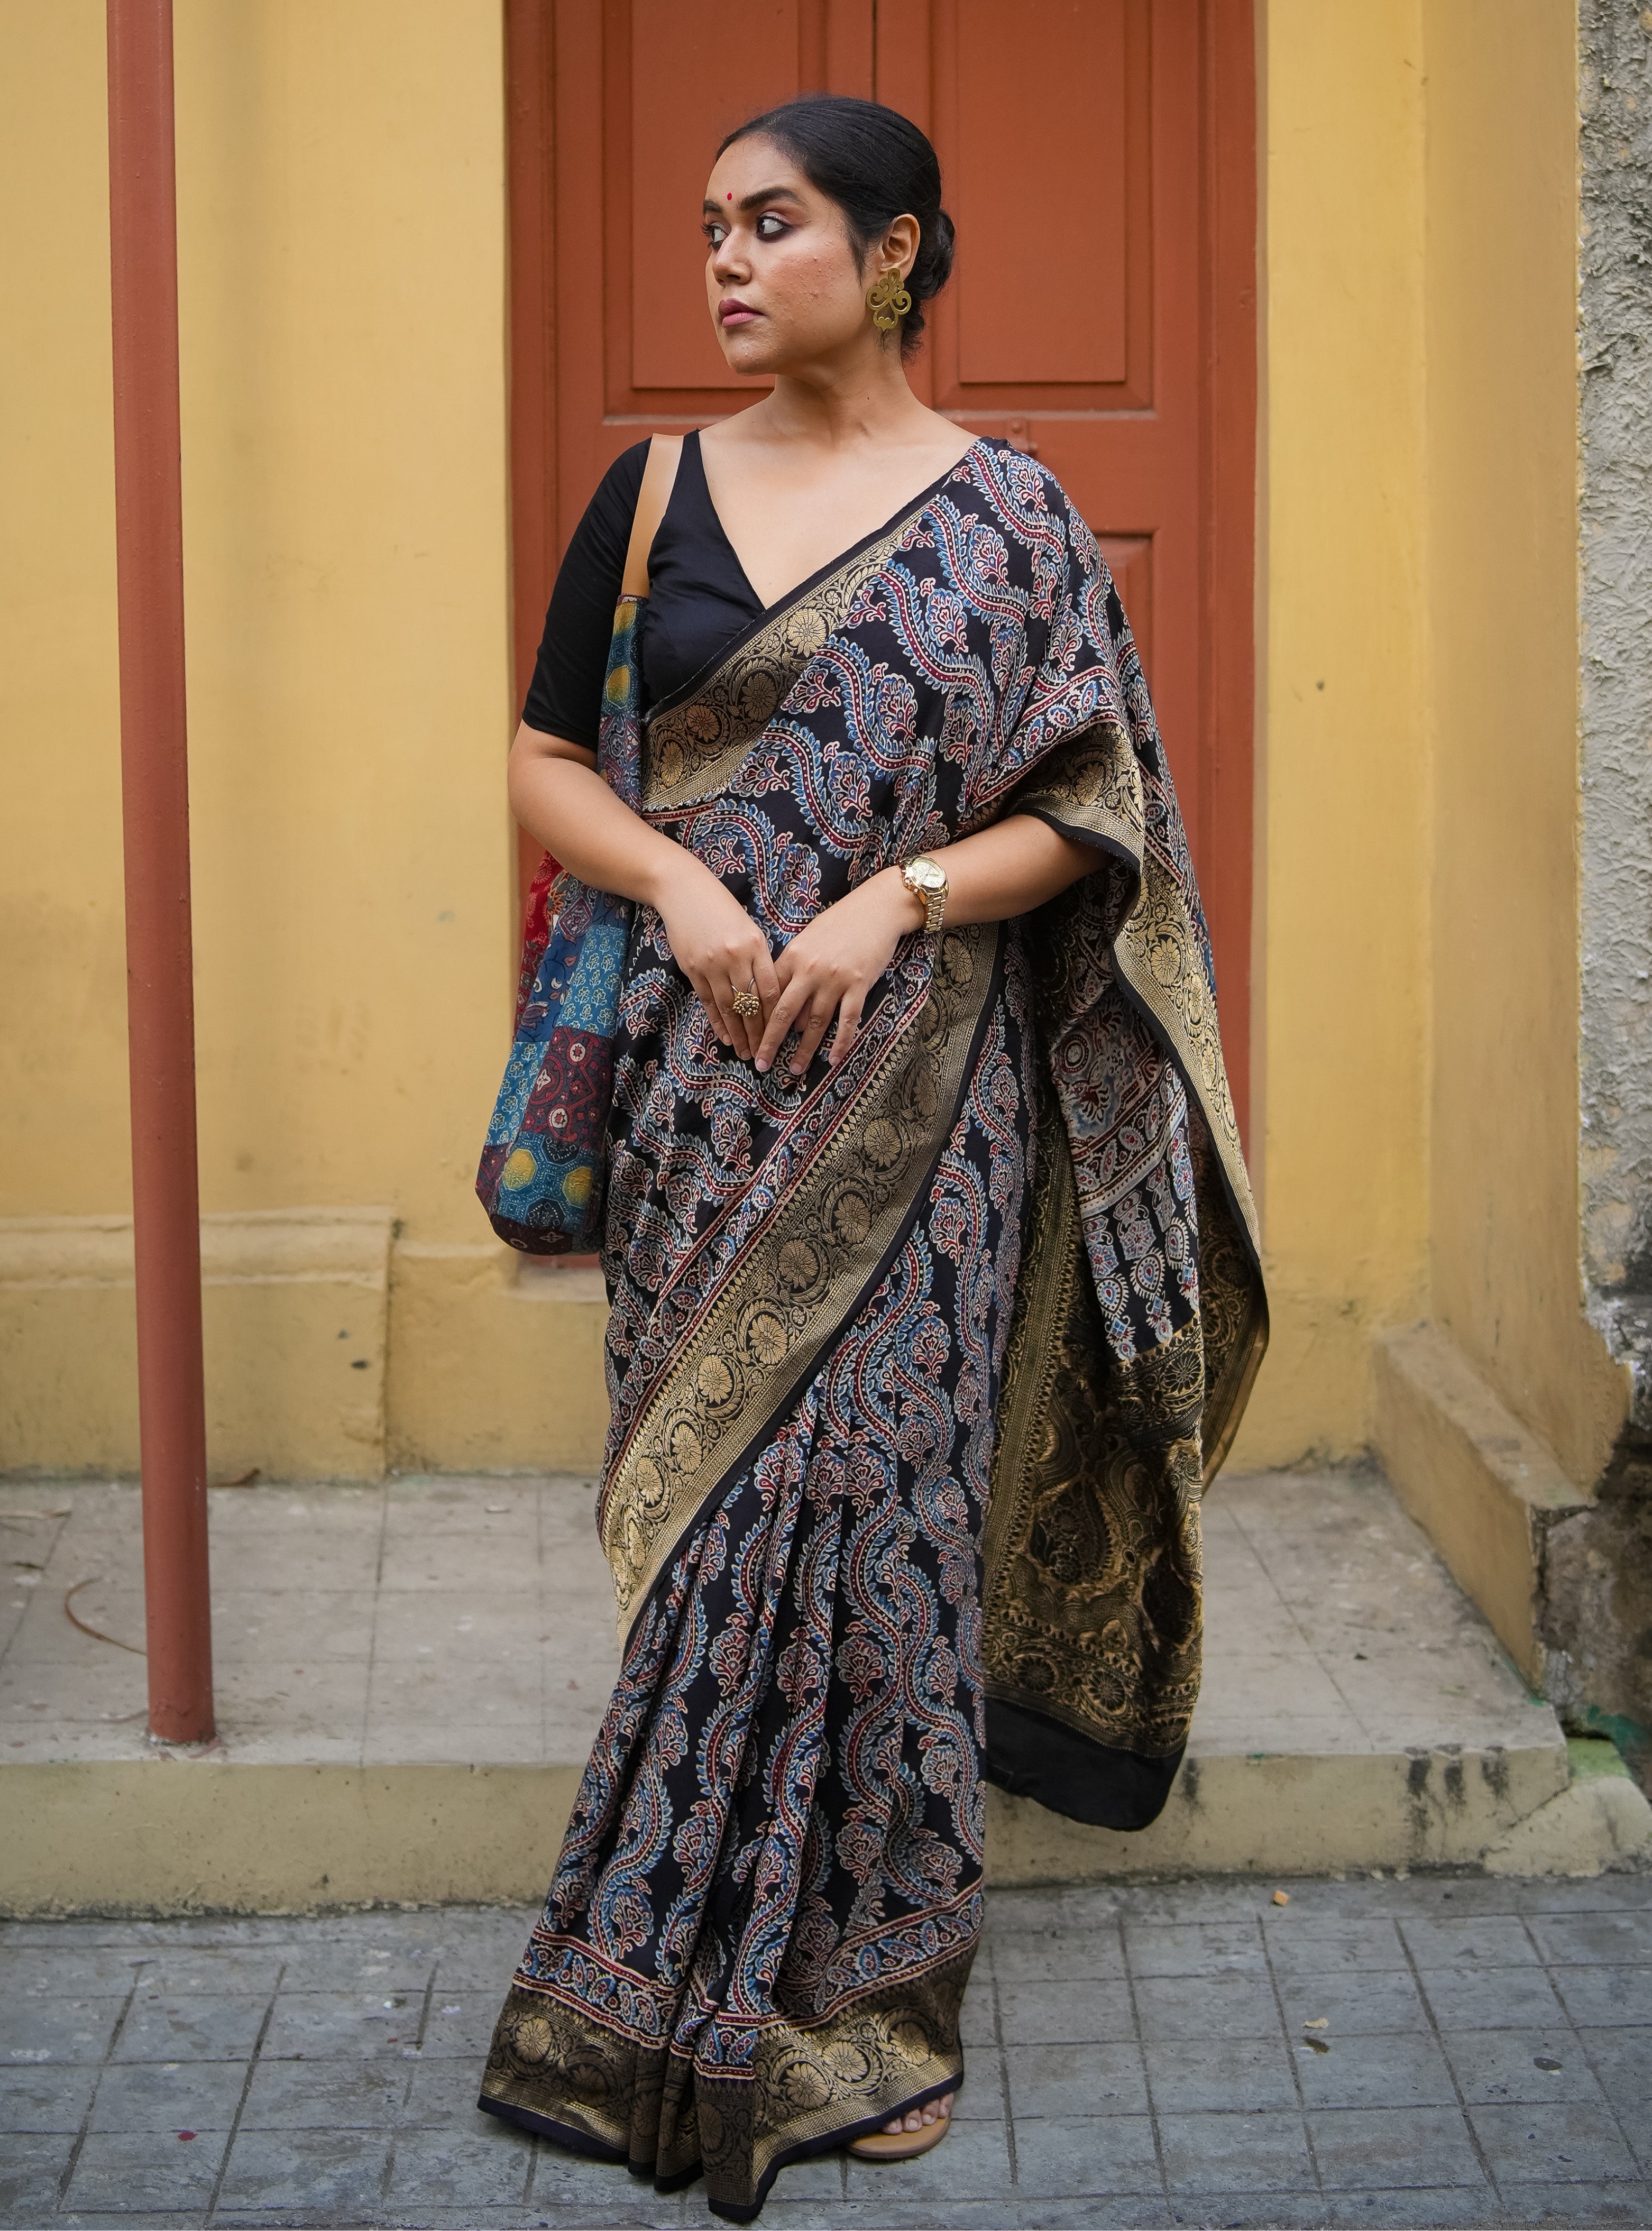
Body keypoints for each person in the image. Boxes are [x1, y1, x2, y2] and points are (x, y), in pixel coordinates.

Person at [477, 94, 1266, 2224]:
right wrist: (695, 891)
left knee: (887, 1527)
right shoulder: (648, 495)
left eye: (774, 224)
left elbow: (1092, 815)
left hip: (927, 1106)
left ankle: (880, 1994)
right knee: (718, 1506)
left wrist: (887, 893)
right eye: (709, 230)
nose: (724, 262)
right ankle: (641, 1971)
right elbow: (548, 761)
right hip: (702, 1092)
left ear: (897, 250)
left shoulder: (1012, 519)